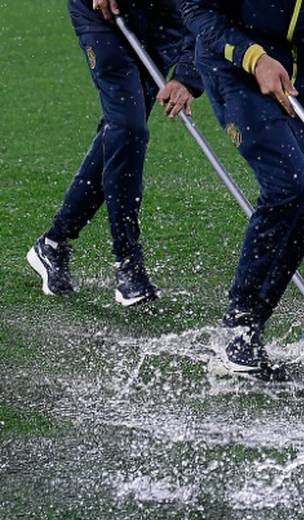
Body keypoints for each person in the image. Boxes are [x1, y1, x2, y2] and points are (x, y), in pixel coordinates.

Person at [180, 0, 304, 381]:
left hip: (301, 79)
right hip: (232, 69)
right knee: (288, 184)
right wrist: (254, 58)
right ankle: (236, 325)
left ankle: (251, 330)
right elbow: (195, 8)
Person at [27, 0, 203, 306]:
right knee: (129, 128)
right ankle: (128, 263)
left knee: (122, 135)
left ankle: (53, 242)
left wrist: (187, 74)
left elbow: (209, 16)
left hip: (163, 25)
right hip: (101, 17)